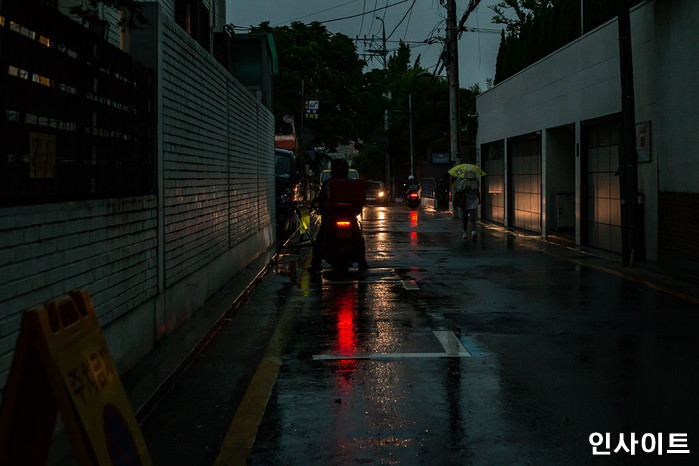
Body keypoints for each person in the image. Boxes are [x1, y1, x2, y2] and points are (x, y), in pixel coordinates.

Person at [310, 158, 369, 272]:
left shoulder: (328, 183)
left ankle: (315, 264)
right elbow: (360, 202)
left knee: (320, 240)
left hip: (332, 218)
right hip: (350, 217)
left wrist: (323, 212)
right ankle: (362, 262)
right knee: (358, 238)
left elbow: (322, 202)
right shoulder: (352, 184)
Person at [456, 170, 480, 240]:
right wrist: (479, 199)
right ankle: (473, 232)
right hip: (473, 201)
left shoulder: (463, 182)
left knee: (465, 218)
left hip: (465, 202)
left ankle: (464, 233)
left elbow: (459, 190)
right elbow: (477, 192)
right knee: (472, 218)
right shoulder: (476, 182)